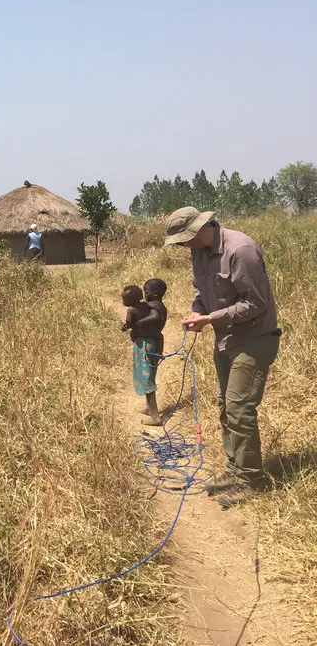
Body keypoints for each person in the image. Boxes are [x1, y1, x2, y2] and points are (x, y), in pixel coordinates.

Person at [164, 207, 280, 508]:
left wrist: (211, 318)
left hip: (254, 339)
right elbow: (199, 290)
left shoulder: (240, 250)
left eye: (182, 240)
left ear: (199, 229)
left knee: (240, 407)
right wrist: (197, 310)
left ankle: (253, 480)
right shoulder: (199, 252)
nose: (180, 246)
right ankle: (235, 470)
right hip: (226, 339)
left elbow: (256, 303)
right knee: (225, 405)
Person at [121, 284, 165, 426]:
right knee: (149, 374)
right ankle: (149, 408)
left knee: (146, 379)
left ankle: (156, 417)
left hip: (145, 345)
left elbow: (131, 323)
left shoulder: (139, 309)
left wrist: (134, 326)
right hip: (151, 343)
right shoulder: (150, 306)